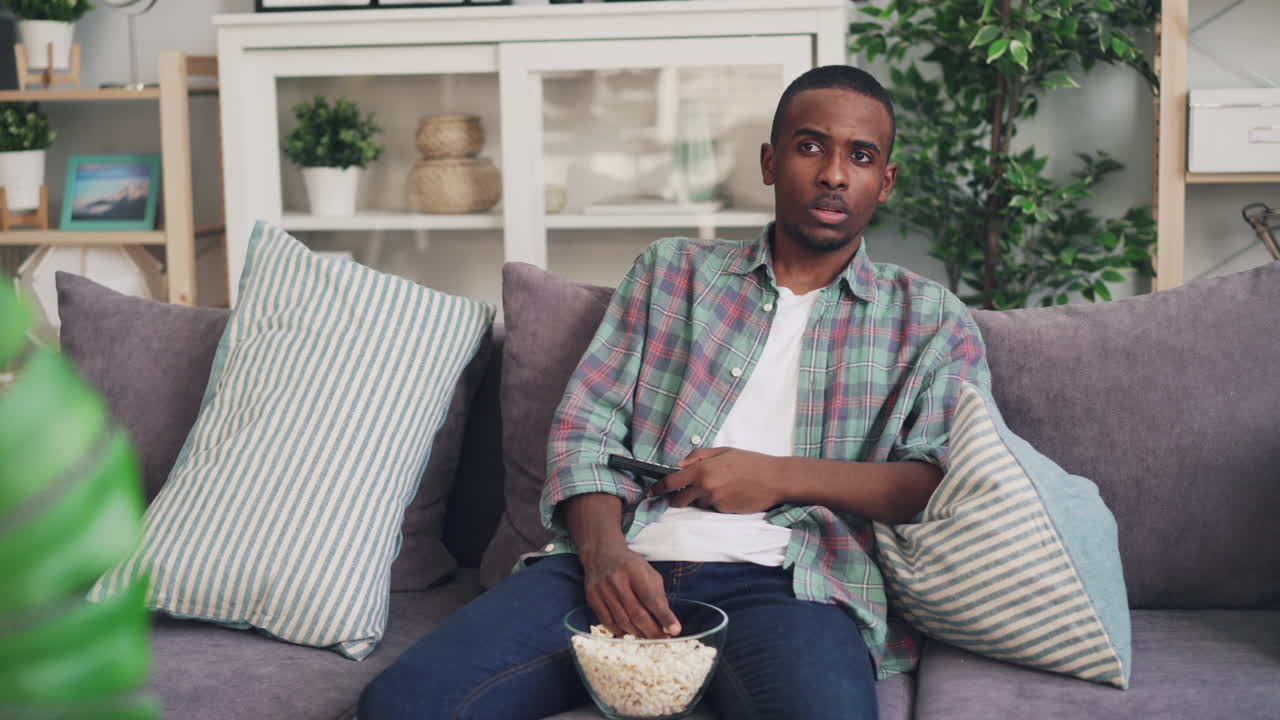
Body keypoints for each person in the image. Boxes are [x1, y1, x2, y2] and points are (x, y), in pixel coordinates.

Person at [359, 64, 991, 720]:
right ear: (770, 162)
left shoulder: (929, 319)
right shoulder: (671, 274)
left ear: (884, 180)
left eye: (860, 156)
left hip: (794, 587)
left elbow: (937, 482)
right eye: (810, 146)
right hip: (623, 558)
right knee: (401, 705)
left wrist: (774, 476)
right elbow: (586, 432)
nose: (834, 173)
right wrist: (604, 557)